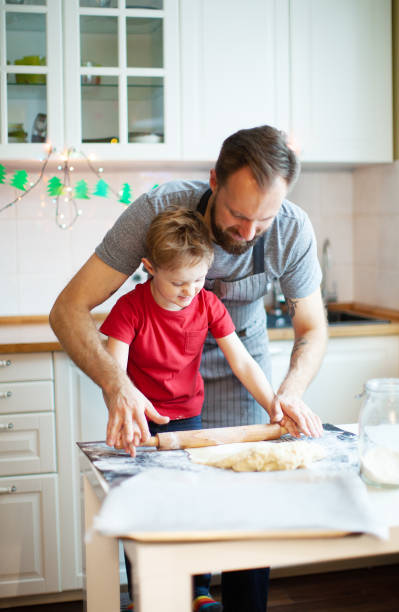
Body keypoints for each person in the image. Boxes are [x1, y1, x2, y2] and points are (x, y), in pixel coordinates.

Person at [50, 125, 328, 612]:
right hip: (154, 388)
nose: (247, 234)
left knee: (246, 519)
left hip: (244, 371)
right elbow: (68, 309)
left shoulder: (292, 229)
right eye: (238, 217)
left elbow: (312, 328)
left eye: (261, 223)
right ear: (214, 181)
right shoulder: (160, 211)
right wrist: (119, 386)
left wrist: (287, 393)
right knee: (161, 509)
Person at [100, 207, 281, 611]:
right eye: (178, 282)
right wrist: (123, 407)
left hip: (189, 421)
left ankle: (197, 589)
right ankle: (144, 594)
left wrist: (274, 405)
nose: (189, 290)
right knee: (145, 512)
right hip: (140, 422)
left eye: (198, 279)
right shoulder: (131, 308)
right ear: (149, 268)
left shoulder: (208, 304)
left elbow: (243, 361)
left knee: (189, 507)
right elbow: (113, 371)